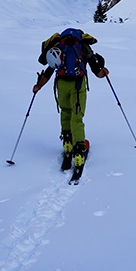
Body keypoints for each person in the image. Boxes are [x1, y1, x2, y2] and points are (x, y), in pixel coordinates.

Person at [32, 27, 109, 175]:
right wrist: (103, 72)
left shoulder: (59, 47)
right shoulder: (83, 46)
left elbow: (49, 70)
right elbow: (97, 71)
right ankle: (79, 152)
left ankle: (67, 144)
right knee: (77, 116)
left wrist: (38, 86)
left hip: (61, 84)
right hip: (78, 85)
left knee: (65, 112)